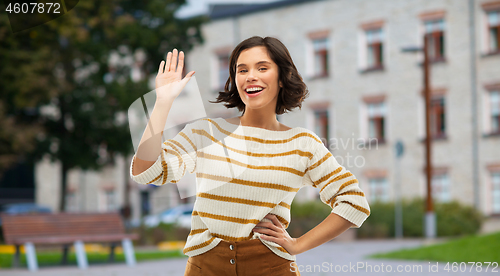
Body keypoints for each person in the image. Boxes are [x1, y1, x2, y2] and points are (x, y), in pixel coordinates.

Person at [130, 36, 370, 276]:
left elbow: (353, 202)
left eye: (262, 68)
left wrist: (298, 245)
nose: (250, 76)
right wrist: (162, 102)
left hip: (271, 267)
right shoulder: (205, 132)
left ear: (282, 78)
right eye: (241, 70)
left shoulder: (303, 144)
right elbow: (146, 171)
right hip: (206, 267)